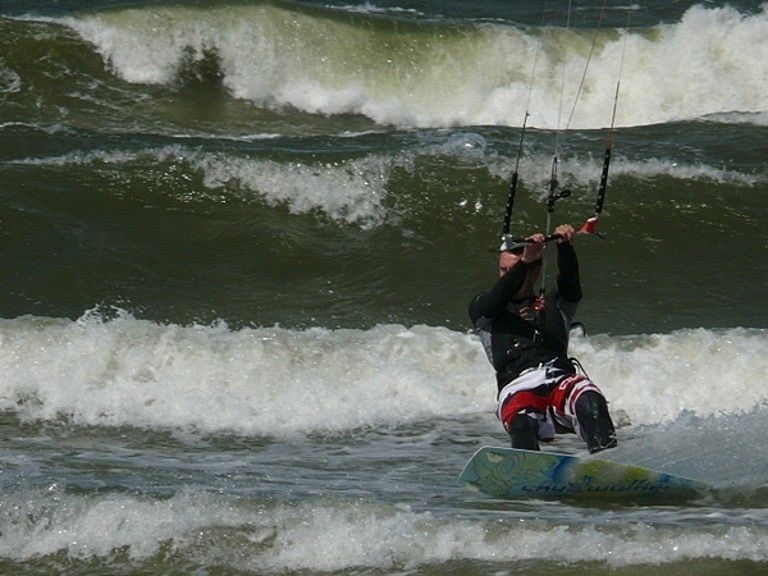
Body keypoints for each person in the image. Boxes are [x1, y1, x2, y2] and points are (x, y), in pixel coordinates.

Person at [468, 224, 617, 454]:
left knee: (591, 400)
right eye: (503, 270)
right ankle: (528, 470)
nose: (506, 276)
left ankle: (610, 464)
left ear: (536, 271)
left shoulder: (556, 304)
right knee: (521, 422)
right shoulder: (485, 309)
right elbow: (499, 295)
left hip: (560, 378)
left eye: (513, 269)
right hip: (517, 386)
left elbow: (571, 284)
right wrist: (524, 262)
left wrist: (564, 246)